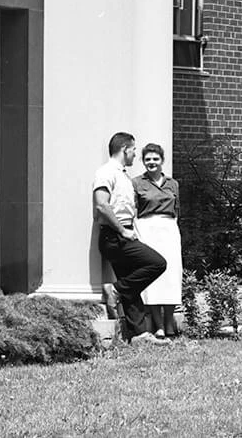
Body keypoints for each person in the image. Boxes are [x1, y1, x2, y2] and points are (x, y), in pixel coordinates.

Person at [93, 131, 167, 344]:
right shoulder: (106, 172)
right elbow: (101, 204)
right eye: (134, 150)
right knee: (157, 263)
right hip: (115, 237)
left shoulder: (122, 174)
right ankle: (114, 289)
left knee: (132, 287)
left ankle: (139, 335)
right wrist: (123, 231)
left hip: (121, 234)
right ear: (125, 149)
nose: (136, 154)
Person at [132, 142, 182, 339]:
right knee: (153, 275)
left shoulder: (173, 183)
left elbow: (177, 210)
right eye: (147, 159)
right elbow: (135, 211)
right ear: (143, 162)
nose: (151, 162)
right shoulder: (137, 183)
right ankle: (158, 325)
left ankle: (170, 322)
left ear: (162, 161)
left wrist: (172, 229)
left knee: (170, 273)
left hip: (168, 229)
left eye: (155, 159)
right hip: (147, 230)